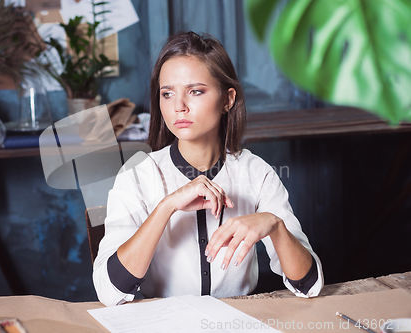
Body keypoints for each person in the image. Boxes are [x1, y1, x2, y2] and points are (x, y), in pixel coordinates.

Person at [93, 31, 323, 306]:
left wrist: (276, 226)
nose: (179, 106)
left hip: (241, 321)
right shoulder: (137, 176)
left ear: (228, 100)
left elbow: (309, 285)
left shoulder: (256, 173)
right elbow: (109, 292)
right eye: (167, 94)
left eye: (195, 91)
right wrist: (167, 207)